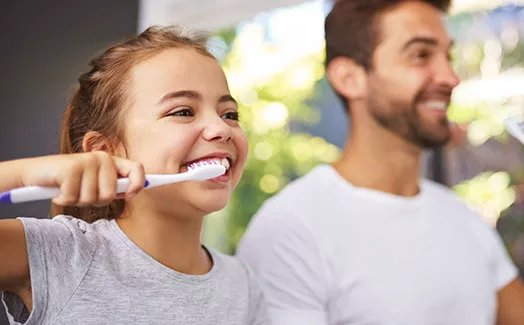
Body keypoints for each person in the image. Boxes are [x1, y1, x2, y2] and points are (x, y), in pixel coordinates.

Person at [236, 0, 524, 324]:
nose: (450, 77)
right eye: (421, 55)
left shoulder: (461, 217)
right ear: (349, 78)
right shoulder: (290, 231)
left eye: (449, 56)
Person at [0, 25, 269, 325]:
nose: (221, 129)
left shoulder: (243, 286)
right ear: (105, 150)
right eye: (183, 112)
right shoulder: (59, 255)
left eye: (229, 114)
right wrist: (24, 174)